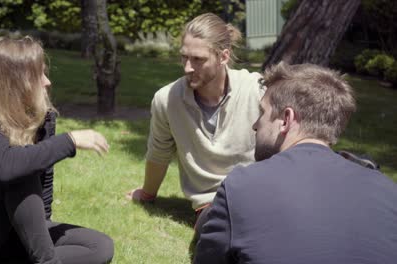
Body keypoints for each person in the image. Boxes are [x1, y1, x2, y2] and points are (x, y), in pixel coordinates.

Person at [0, 36, 114, 264]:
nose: (47, 82)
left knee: (99, 246)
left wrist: (35, 237)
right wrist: (69, 140)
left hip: (7, 234)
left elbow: (43, 193)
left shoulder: (43, 117)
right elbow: (7, 168)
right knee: (18, 169)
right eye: (38, 75)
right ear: (14, 81)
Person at [194, 62, 397, 264]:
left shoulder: (242, 186)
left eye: (262, 112)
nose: (256, 125)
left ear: (286, 119)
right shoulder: (389, 192)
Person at [127, 13, 264, 232]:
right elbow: (159, 153)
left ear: (223, 57)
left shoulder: (256, 91)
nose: (187, 67)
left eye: (198, 59)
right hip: (212, 205)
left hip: (260, 197)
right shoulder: (167, 99)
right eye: (184, 57)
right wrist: (147, 193)